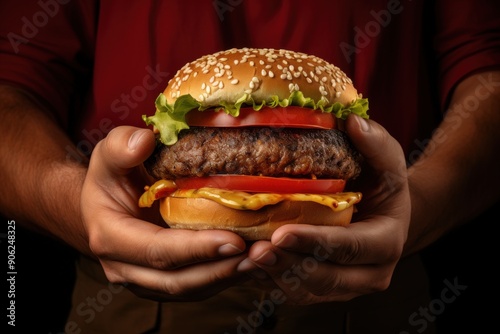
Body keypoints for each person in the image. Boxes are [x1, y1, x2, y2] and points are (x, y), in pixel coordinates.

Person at [1, 0, 499, 333]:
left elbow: (488, 67)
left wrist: (421, 205)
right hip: (130, 304)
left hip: (377, 291)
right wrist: (77, 207)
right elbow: (10, 83)